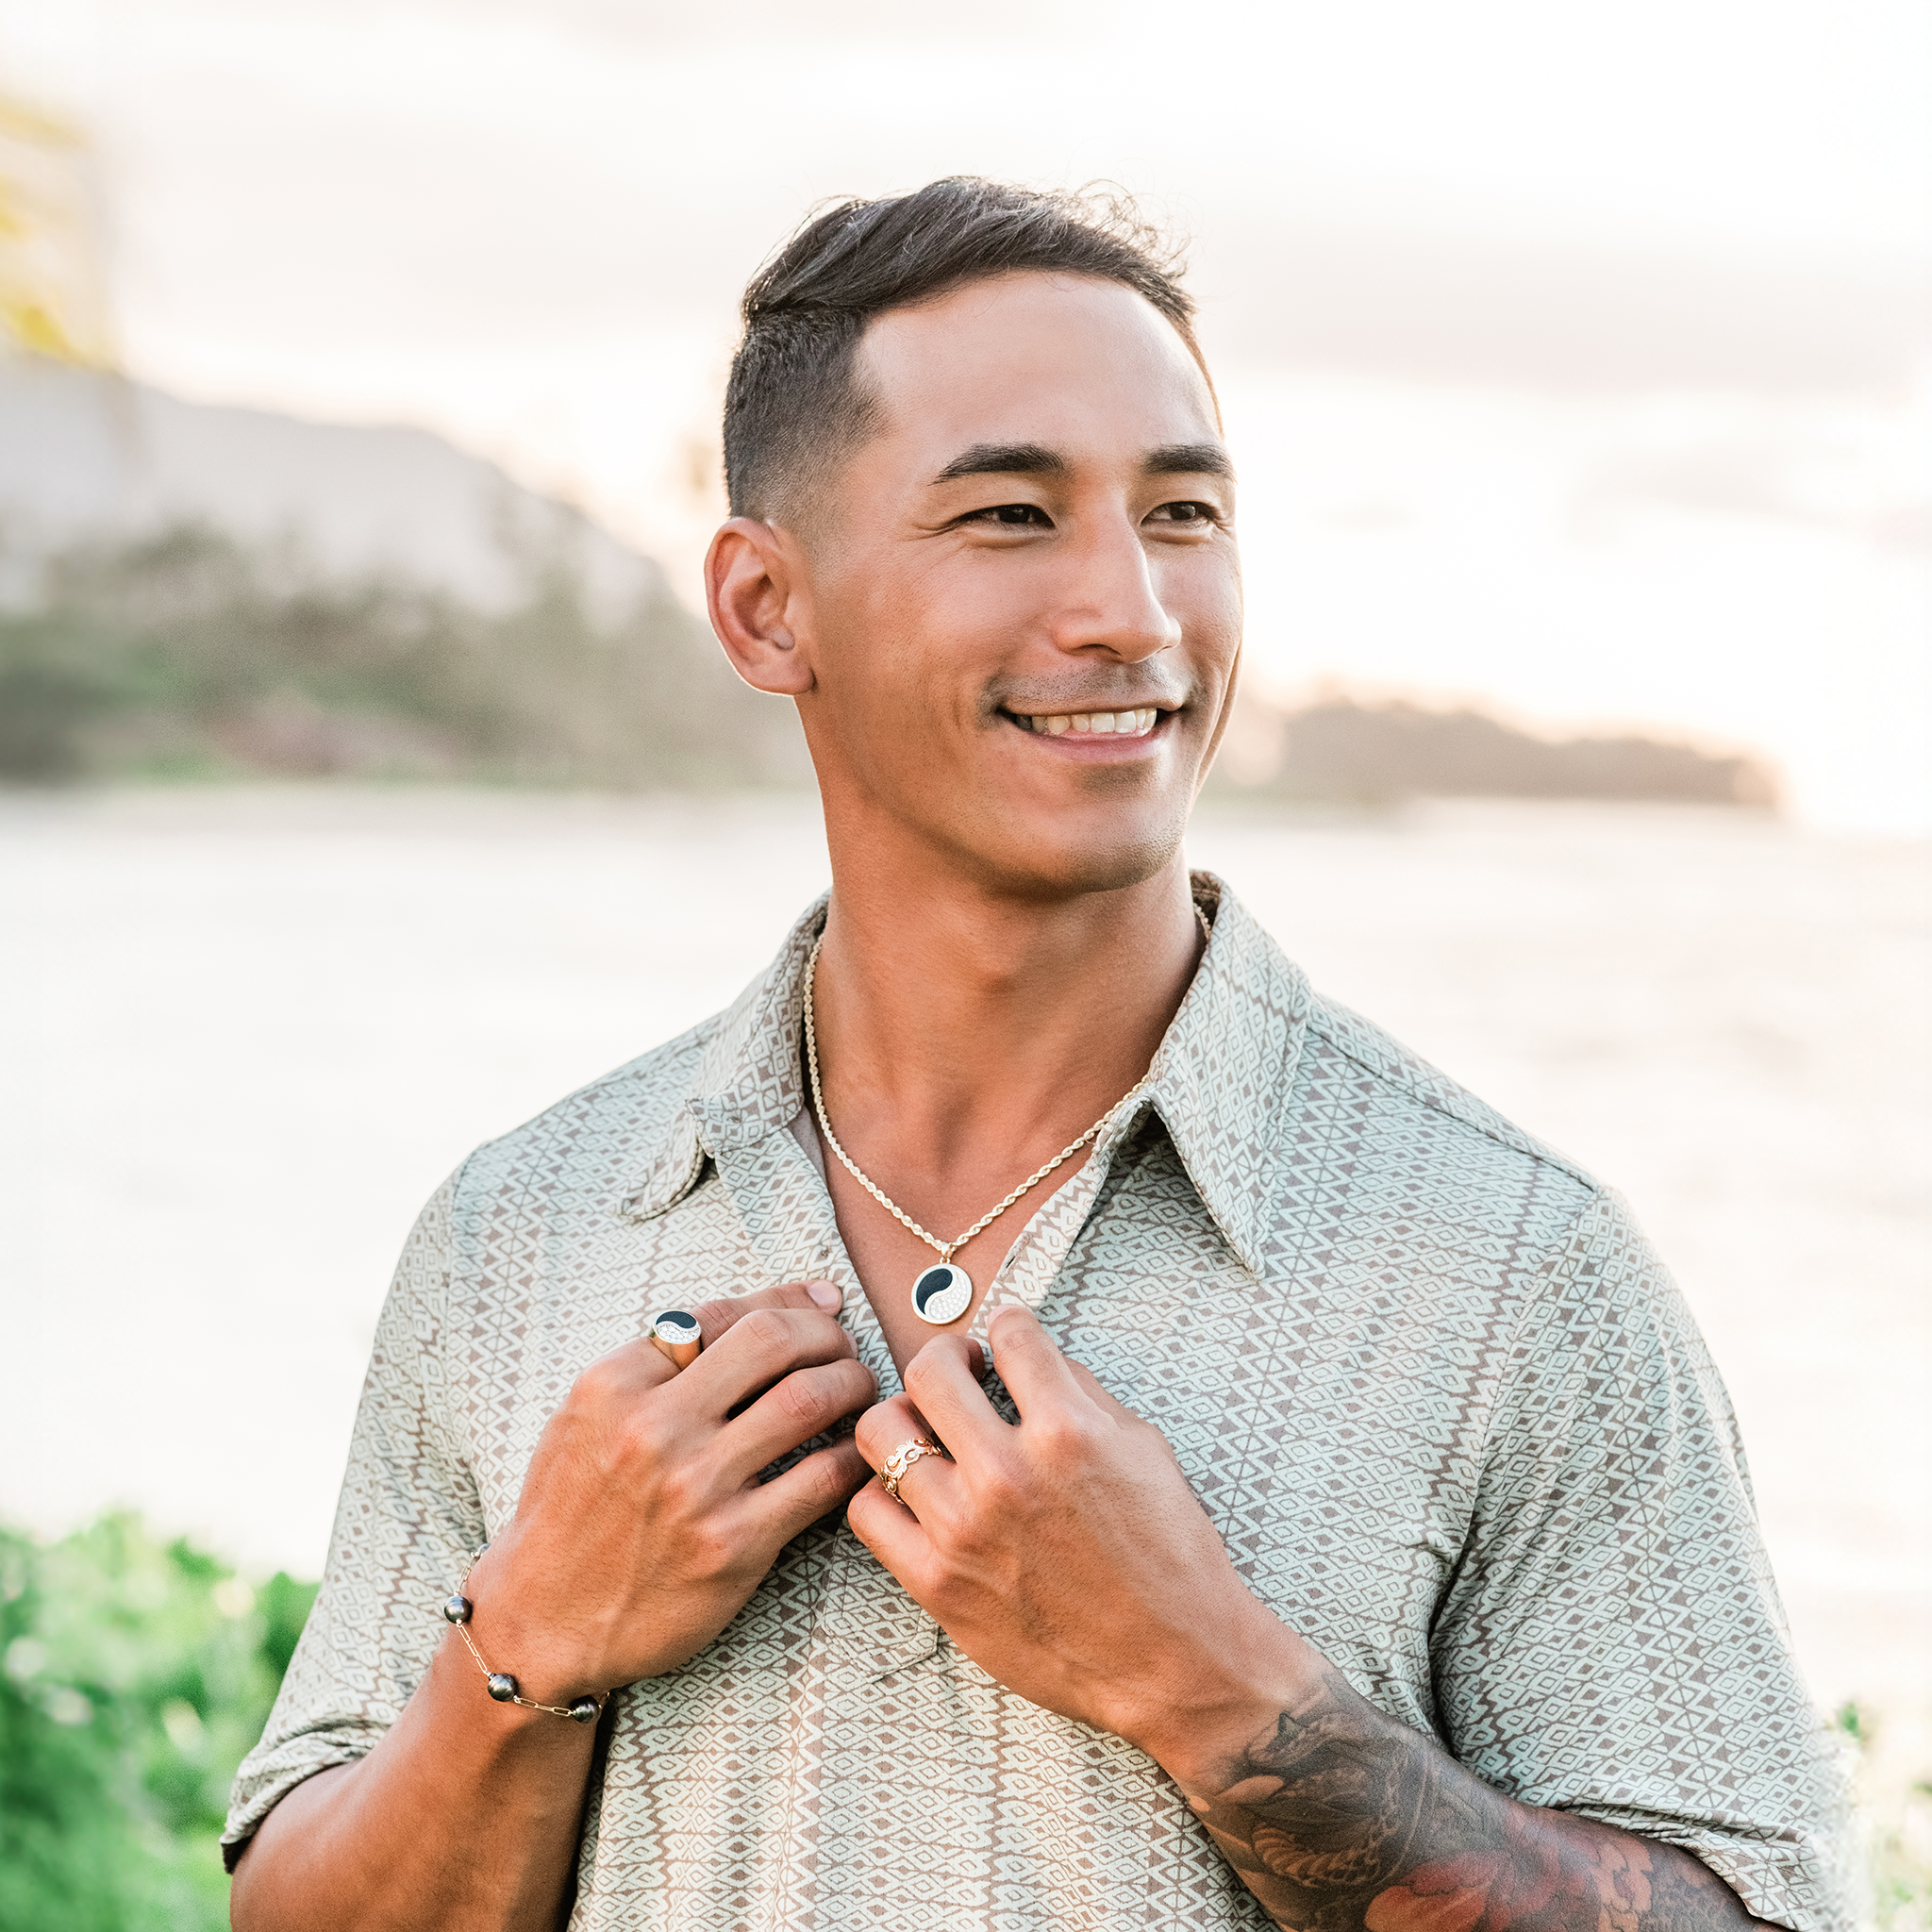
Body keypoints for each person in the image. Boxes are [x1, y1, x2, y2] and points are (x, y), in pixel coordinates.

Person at [225, 178, 1844, 1932]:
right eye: (1010, 513)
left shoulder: (1520, 1272)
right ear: (770, 610)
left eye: (1183, 513)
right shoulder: (521, 1235)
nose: (1133, 612)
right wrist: (529, 1640)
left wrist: (1220, 1693)